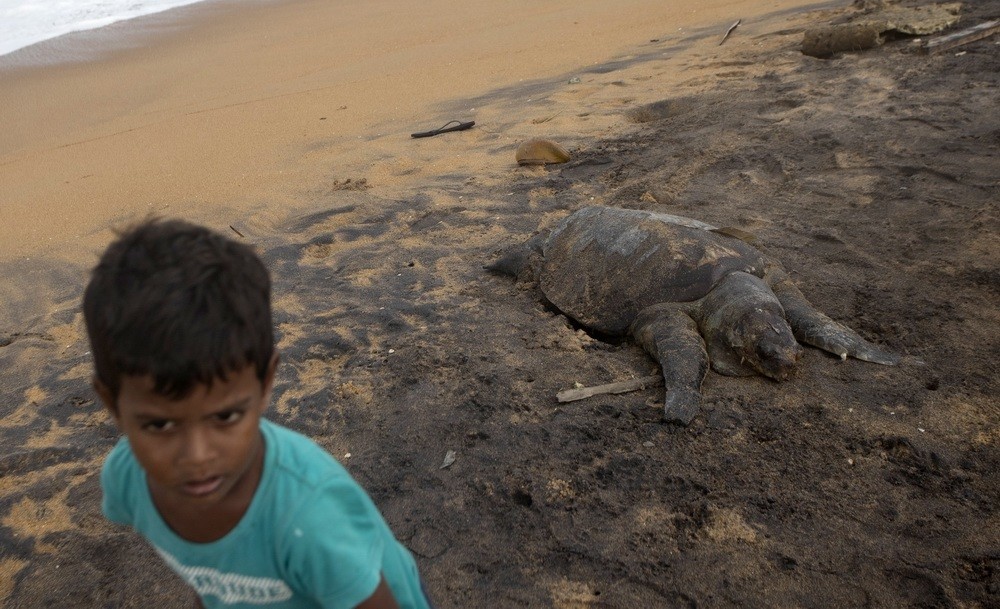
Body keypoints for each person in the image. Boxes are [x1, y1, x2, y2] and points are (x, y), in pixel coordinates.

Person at [83, 219, 433, 609]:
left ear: (266, 384)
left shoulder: (308, 515)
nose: (197, 456)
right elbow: (211, 576)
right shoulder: (127, 482)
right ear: (112, 403)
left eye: (226, 417)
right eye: (160, 424)